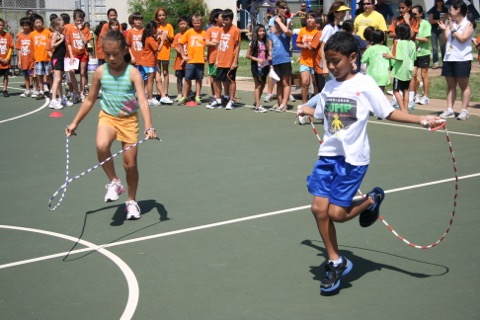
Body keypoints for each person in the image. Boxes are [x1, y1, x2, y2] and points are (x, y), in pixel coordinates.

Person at [296, 31, 442, 293]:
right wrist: (306, 110)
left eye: (335, 61)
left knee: (337, 215)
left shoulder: (365, 84)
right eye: (328, 61)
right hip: (328, 157)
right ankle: (336, 261)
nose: (331, 66)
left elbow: (388, 112)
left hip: (353, 160)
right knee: (319, 209)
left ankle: (371, 199)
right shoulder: (329, 86)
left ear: (352, 58)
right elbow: (321, 113)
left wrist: (421, 119)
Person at [66, 30, 157, 220]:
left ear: (124, 49)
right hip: (108, 117)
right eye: (107, 54)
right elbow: (90, 100)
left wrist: (149, 126)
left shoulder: (133, 73)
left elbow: (142, 101)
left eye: (116, 53)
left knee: (130, 165)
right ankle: (114, 182)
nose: (112, 58)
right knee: (101, 146)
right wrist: (75, 123)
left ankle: (131, 201)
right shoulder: (100, 72)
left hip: (129, 121)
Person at [438, 0, 476, 121]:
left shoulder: (468, 24)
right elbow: (444, 41)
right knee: (450, 85)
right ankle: (449, 109)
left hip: (462, 58)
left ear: (458, 10)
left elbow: (463, 38)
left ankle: (464, 110)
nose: (449, 11)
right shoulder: (450, 23)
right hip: (449, 57)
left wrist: (452, 28)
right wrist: (445, 29)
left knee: (463, 86)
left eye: (451, 9)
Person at [208, 9, 241, 110]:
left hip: (230, 61)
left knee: (231, 81)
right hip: (220, 60)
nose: (224, 22)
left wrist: (235, 61)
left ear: (231, 19)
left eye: (227, 19)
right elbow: (218, 45)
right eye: (223, 19)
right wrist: (217, 59)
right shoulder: (220, 30)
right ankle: (218, 99)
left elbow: (238, 46)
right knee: (217, 80)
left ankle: (231, 101)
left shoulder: (236, 30)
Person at [383, 23, 416, 113]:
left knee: (396, 91)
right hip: (408, 69)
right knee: (405, 90)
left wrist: (390, 56)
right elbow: (413, 57)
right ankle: (406, 109)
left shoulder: (400, 43)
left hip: (400, 71)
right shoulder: (412, 43)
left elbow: (399, 57)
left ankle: (402, 109)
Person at [177, 14, 207, 105]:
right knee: (187, 79)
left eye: (198, 23)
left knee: (199, 79)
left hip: (200, 60)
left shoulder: (204, 33)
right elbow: (180, 43)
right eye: (195, 23)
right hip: (190, 60)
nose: (197, 24)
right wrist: (183, 55)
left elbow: (208, 45)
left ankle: (197, 95)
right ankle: (185, 96)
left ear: (201, 22)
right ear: (192, 23)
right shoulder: (189, 32)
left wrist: (206, 55)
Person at [320, 2, 350, 80]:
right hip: (329, 64)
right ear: (335, 13)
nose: (344, 14)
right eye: (342, 12)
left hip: (336, 64)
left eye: (344, 12)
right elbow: (322, 47)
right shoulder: (329, 28)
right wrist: (325, 66)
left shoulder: (338, 28)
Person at [268, 14, 292, 112]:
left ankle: (284, 103)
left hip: (285, 60)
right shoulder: (271, 35)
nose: (277, 24)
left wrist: (279, 21)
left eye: (278, 22)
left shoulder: (286, 33)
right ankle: (279, 103)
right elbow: (270, 49)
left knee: (285, 82)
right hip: (276, 62)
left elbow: (286, 31)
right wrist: (270, 61)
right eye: (275, 22)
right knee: (278, 83)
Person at [48, 17, 72, 110]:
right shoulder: (55, 34)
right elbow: (52, 45)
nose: (64, 26)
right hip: (57, 58)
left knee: (60, 79)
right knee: (57, 79)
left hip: (61, 58)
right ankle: (53, 100)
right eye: (62, 25)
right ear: (57, 26)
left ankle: (61, 99)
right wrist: (61, 40)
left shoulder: (60, 34)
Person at [246, 24, 270, 113]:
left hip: (265, 66)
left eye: (263, 31)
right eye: (260, 31)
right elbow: (247, 55)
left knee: (263, 84)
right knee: (258, 85)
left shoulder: (266, 42)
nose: (262, 33)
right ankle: (258, 105)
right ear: (256, 32)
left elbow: (267, 53)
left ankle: (257, 101)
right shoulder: (253, 43)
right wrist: (257, 59)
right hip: (256, 66)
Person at [142, 21, 166, 107]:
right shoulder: (149, 38)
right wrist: (162, 40)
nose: (158, 29)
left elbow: (155, 44)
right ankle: (150, 99)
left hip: (152, 62)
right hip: (149, 62)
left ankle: (161, 96)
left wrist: (158, 37)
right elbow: (158, 49)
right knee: (150, 81)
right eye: (156, 28)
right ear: (153, 29)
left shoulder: (151, 37)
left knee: (156, 79)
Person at [296, 11, 319, 104]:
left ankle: (315, 103)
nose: (309, 20)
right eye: (308, 18)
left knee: (315, 83)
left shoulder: (318, 31)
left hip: (315, 61)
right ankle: (304, 103)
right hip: (304, 60)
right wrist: (303, 46)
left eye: (311, 18)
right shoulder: (302, 30)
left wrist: (312, 46)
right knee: (305, 83)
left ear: (315, 20)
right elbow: (297, 43)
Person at [411, 5, 431, 106]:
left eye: (414, 14)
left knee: (424, 75)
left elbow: (426, 39)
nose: (413, 16)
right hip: (414, 53)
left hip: (424, 53)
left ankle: (426, 96)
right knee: (413, 75)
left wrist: (415, 37)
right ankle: (415, 95)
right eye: (412, 13)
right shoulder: (412, 23)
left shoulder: (426, 24)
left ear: (420, 14)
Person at [361, 28, 392, 93]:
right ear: (383, 39)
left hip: (372, 75)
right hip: (383, 75)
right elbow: (392, 62)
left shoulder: (370, 49)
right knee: (381, 94)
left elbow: (363, 59)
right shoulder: (386, 49)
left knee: (371, 93)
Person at [205, 9, 226, 104]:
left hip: (224, 58)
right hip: (213, 58)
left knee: (224, 78)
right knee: (213, 77)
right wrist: (215, 42)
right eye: (222, 17)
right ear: (216, 18)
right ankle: (215, 95)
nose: (224, 19)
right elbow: (207, 42)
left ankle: (225, 95)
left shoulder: (226, 29)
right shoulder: (210, 30)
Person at [154, 8, 174, 104]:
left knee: (165, 72)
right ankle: (159, 93)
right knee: (158, 72)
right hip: (157, 52)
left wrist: (167, 37)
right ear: (157, 16)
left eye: (163, 15)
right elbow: (152, 38)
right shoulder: (155, 26)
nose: (161, 17)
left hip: (166, 51)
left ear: (166, 16)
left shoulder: (169, 26)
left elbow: (172, 40)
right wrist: (157, 35)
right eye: (159, 15)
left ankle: (165, 92)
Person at [30, 14, 52, 100]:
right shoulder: (32, 34)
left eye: (40, 22)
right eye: (36, 22)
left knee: (49, 75)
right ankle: (41, 91)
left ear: (43, 23)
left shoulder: (47, 32)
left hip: (47, 58)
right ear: (34, 24)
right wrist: (33, 58)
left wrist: (51, 55)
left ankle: (51, 91)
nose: (38, 24)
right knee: (39, 76)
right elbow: (31, 47)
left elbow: (51, 44)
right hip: (38, 58)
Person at [16, 17, 35, 98]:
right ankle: (27, 90)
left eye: (27, 25)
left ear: (30, 26)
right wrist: (19, 61)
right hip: (24, 60)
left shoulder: (33, 35)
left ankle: (35, 89)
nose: (25, 27)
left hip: (32, 59)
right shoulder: (20, 36)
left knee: (33, 75)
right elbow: (19, 49)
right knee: (25, 75)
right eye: (23, 25)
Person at [172, 16, 189, 102]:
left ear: (187, 24)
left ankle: (187, 93)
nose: (182, 25)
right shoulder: (177, 36)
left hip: (189, 61)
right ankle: (179, 93)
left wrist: (187, 56)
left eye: (184, 23)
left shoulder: (190, 34)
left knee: (187, 78)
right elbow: (175, 46)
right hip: (179, 61)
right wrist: (182, 56)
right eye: (181, 24)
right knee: (179, 78)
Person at [427, 0, 448, 69]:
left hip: (441, 30)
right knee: (434, 47)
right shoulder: (433, 10)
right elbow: (430, 21)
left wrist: (437, 21)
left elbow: (444, 19)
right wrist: (438, 21)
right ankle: (435, 63)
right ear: (436, 2)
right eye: (438, 1)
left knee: (443, 46)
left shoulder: (445, 9)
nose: (439, 2)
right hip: (434, 30)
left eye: (441, 1)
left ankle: (445, 62)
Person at [0, 18, 13, 97]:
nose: (1, 27)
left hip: (6, 61)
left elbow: (11, 47)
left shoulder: (7, 35)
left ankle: (5, 90)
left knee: (6, 75)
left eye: (2, 25)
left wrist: (7, 58)